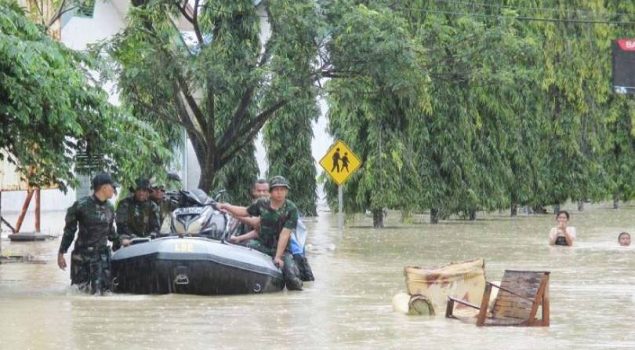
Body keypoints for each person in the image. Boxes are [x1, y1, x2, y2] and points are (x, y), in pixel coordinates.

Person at [217, 176, 303, 290]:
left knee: (292, 280)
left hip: (282, 250)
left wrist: (277, 257)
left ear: (286, 191)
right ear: (271, 192)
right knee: (237, 250)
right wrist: (227, 207)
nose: (279, 193)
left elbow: (285, 234)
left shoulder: (291, 209)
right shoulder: (262, 204)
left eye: (283, 189)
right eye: (276, 189)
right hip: (262, 245)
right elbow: (245, 212)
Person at [57, 173, 120, 294]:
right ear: (104, 187)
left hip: (101, 259)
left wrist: (120, 242)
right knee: (79, 293)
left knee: (102, 295)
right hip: (82, 258)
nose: (114, 190)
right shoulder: (81, 206)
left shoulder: (110, 208)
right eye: (112, 187)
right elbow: (69, 232)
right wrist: (61, 253)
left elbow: (111, 231)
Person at [116, 178, 160, 245]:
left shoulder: (152, 206)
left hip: (147, 240)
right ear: (134, 191)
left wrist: (151, 236)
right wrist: (133, 236)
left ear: (148, 192)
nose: (141, 193)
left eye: (144, 190)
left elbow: (156, 226)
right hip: (128, 239)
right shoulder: (125, 204)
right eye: (138, 190)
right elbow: (121, 225)